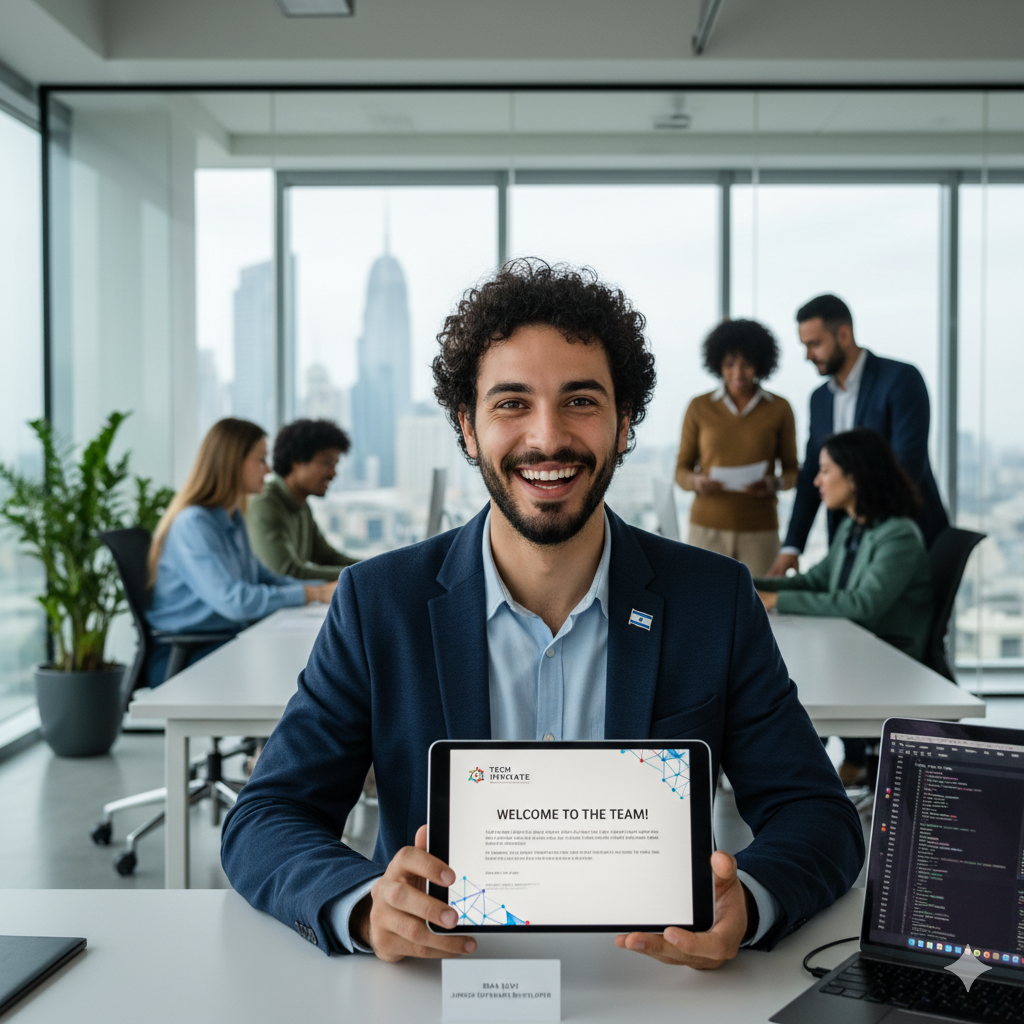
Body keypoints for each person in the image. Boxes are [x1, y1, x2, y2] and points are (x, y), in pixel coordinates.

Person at [221, 260, 863, 968]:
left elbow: (820, 818)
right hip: (441, 986)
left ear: (624, 425)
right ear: (467, 429)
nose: (548, 437)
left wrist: (752, 899)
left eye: (582, 401)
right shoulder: (380, 604)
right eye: (511, 403)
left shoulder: (714, 599)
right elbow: (266, 817)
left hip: (654, 988)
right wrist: (367, 904)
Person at [754, 428, 932, 785]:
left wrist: (775, 600)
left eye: (825, 470)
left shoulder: (898, 535)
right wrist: (745, 583)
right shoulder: (855, 528)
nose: (817, 481)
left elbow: (863, 605)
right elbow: (816, 580)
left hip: (885, 661)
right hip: (853, 649)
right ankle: (794, 783)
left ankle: (797, 787)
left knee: (788, 695)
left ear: (853, 475)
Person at [767, 293, 948, 578]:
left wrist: (864, 521)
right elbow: (814, 470)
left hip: (905, 533)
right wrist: (792, 546)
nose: (808, 356)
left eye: (815, 344)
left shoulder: (901, 380)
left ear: (844, 334)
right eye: (804, 346)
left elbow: (907, 463)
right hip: (848, 542)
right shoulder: (820, 399)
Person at [146, 418, 336, 685]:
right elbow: (235, 602)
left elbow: (266, 579)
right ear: (232, 462)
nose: (268, 470)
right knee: (299, 668)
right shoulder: (194, 524)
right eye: (261, 460)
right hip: (184, 655)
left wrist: (326, 590)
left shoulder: (233, 519)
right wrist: (314, 593)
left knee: (311, 661)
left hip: (221, 642)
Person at [675, 318, 798, 576]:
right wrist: (697, 482)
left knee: (761, 606)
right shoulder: (699, 407)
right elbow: (681, 471)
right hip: (706, 531)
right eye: (730, 364)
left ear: (761, 364)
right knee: (704, 606)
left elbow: (793, 473)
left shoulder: (779, 409)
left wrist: (772, 484)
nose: (738, 373)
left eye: (747, 364)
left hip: (760, 533)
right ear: (717, 363)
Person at [248, 418, 357, 581]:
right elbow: (286, 572)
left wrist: (379, 567)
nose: (334, 474)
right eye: (327, 463)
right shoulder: (265, 503)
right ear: (297, 461)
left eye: (335, 465)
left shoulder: (301, 506)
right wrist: (360, 576)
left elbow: (328, 558)